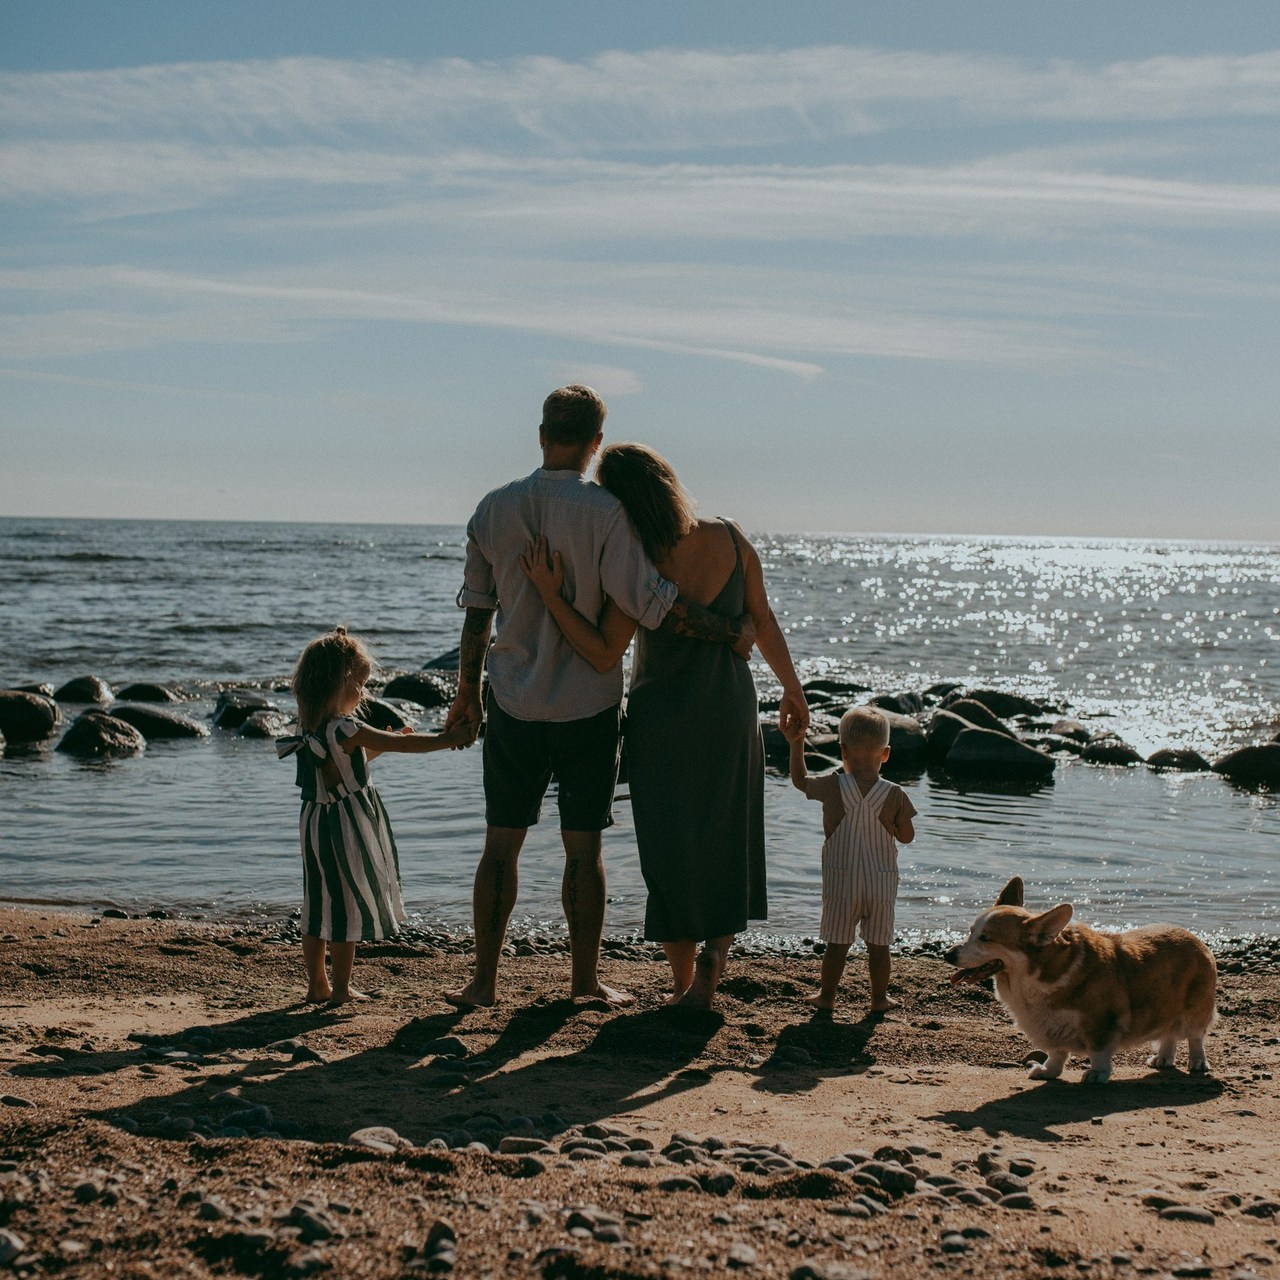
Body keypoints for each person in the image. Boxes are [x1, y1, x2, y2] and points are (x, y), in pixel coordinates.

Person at [444, 386, 752, 1010]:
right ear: (595, 442)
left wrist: (466, 695)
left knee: (500, 843)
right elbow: (654, 606)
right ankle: (583, 983)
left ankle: (483, 983)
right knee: (583, 847)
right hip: (587, 706)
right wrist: (730, 631)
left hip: (512, 699)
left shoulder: (492, 510)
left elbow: (478, 614)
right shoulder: (607, 513)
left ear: (540, 434)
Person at [521, 442, 809, 1009]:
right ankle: (711, 969)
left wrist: (552, 598)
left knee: (669, 844)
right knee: (728, 835)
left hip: (662, 718)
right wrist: (792, 688)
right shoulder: (729, 536)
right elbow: (764, 617)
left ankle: (682, 986)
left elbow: (608, 647)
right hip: (728, 707)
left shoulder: (636, 555)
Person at [278, 626, 469, 1005]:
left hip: (313, 822)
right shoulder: (345, 727)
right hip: (345, 822)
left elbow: (343, 769)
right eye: (360, 685)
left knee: (316, 899)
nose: (363, 694)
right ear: (339, 682)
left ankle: (317, 985)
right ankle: (343, 988)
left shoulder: (308, 728)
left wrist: (385, 741)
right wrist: (447, 739)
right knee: (346, 900)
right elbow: (402, 746)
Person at [785, 705, 916, 1013]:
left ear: (842, 749)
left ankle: (827, 997)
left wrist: (797, 743)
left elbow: (800, 780)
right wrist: (895, 824)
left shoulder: (832, 786)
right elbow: (907, 836)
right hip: (881, 884)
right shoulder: (894, 793)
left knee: (837, 945)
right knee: (879, 945)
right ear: (885, 754)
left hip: (842, 882)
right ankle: (879, 999)